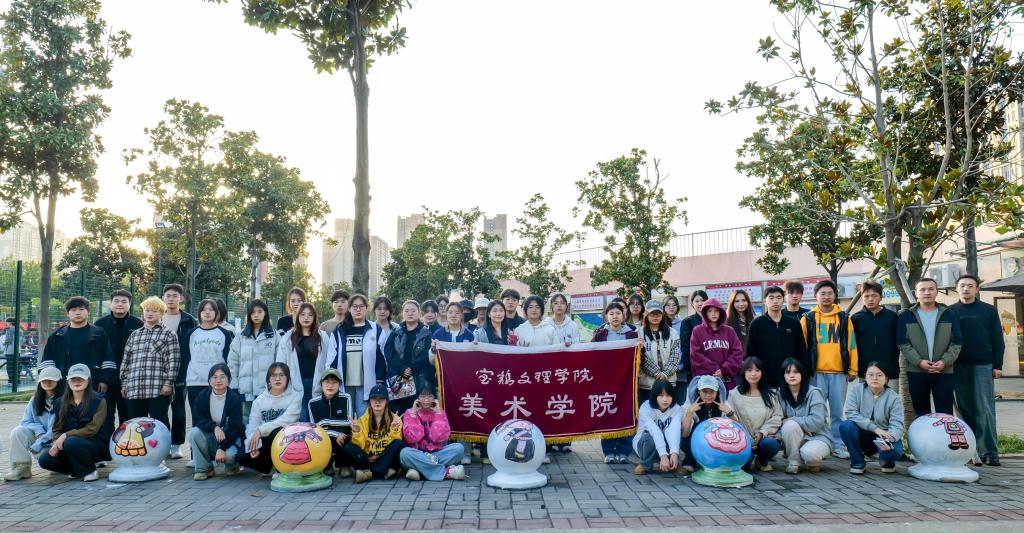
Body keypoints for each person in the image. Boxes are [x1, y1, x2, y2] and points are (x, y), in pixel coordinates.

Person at [799, 280, 858, 458]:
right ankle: (817, 443)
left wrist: (853, 369)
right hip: (815, 373)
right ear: (815, 296)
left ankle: (838, 445)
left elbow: (852, 344)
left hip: (838, 373)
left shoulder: (844, 318)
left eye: (830, 293)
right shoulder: (808, 318)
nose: (826, 297)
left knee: (837, 412)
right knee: (815, 411)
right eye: (822, 293)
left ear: (835, 295)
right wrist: (802, 371)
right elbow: (801, 347)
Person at [950, 274, 1005, 466]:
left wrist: (998, 365)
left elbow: (997, 339)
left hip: (983, 365)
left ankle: (990, 451)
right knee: (964, 409)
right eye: (962, 285)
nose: (966, 289)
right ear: (956, 289)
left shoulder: (989, 310)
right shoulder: (949, 311)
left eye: (970, 285)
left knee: (985, 408)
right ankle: (970, 452)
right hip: (957, 366)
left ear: (977, 289)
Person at [897, 277, 962, 417]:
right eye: (923, 289)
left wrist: (944, 362)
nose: (927, 292)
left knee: (945, 413)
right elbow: (902, 343)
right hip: (917, 371)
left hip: (944, 371)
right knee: (921, 413)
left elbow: (957, 342)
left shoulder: (949, 314)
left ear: (937, 292)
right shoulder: (906, 316)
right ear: (916, 293)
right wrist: (919, 361)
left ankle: (943, 433)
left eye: (931, 289)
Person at [38, 364, 112, 481]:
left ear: (88, 380)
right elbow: (57, 428)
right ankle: (76, 470)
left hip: (96, 445)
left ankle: (89, 470)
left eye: (80, 378)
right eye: (73, 379)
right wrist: (56, 443)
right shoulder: (59, 402)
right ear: (68, 381)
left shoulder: (99, 400)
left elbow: (92, 429)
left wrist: (66, 435)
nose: (77, 382)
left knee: (71, 442)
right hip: (69, 445)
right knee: (44, 460)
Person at [120, 296, 180, 431]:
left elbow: (174, 360)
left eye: (154, 311)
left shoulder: (169, 334)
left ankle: (164, 445)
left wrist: (168, 383)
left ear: (162, 313)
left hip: (158, 388)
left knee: (159, 424)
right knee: (137, 425)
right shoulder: (135, 335)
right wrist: (124, 383)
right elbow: (126, 361)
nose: (150, 313)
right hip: (134, 387)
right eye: (147, 310)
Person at [592, 301, 638, 464]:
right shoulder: (600, 334)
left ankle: (624, 451)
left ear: (623, 315)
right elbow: (591, 355)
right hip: (606, 382)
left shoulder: (632, 334)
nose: (615, 316)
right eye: (611, 314)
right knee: (608, 414)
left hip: (626, 382)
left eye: (618, 313)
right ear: (606, 317)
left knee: (626, 414)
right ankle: (609, 451)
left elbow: (638, 357)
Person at [39, 296, 116, 394]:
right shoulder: (57, 336)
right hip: (63, 384)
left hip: (93, 383)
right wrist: (50, 380)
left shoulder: (99, 334)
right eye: (73, 310)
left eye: (81, 309)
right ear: (67, 313)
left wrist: (105, 380)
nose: (78, 313)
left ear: (88, 312)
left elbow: (108, 358)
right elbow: (47, 361)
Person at [327, 293, 386, 418]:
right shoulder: (339, 330)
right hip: (344, 383)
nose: (358, 309)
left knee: (363, 417)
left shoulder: (376, 329)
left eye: (361, 306)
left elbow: (382, 358)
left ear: (366, 308)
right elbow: (331, 357)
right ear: (349, 309)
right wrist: (331, 379)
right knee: (345, 417)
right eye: (354, 307)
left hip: (366, 383)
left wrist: (379, 380)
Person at [840, 361, 904, 475]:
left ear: (886, 378)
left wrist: (888, 439)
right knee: (846, 426)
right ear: (865, 377)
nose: (874, 378)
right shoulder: (856, 390)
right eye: (870, 374)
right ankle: (857, 462)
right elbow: (851, 413)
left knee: (893, 451)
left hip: (883, 437)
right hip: (863, 435)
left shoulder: (894, 398)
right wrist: (875, 429)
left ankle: (887, 461)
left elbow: (897, 424)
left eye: (879, 375)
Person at [238, 363, 301, 475]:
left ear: (288, 378)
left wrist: (261, 430)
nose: (277, 378)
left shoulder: (295, 397)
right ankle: (269, 467)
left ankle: (282, 470)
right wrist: (254, 446)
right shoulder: (259, 401)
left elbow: (288, 420)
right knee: (241, 456)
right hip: (265, 439)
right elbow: (253, 425)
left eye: (281, 375)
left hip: (288, 440)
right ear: (268, 380)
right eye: (273, 375)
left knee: (277, 432)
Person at [3, 367, 63, 481]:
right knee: (18, 431)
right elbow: (26, 421)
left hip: (58, 444)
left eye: (51, 379)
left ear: (59, 381)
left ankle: (63, 467)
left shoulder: (65, 400)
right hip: (42, 442)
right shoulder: (35, 400)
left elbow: (57, 429)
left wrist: (38, 443)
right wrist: (39, 431)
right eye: (44, 380)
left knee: (48, 460)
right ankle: (22, 468)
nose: (47, 382)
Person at [94, 289, 143, 425]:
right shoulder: (99, 324)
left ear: (129, 304)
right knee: (105, 415)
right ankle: (107, 439)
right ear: (111, 303)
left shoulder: (138, 324)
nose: (120, 304)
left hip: (129, 378)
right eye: (116, 301)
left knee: (128, 415)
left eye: (124, 301)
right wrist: (102, 378)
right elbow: (96, 353)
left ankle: (126, 438)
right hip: (106, 379)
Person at [188, 363, 244, 480]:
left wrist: (221, 448)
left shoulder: (234, 399)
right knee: (194, 433)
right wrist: (214, 427)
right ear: (209, 381)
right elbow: (198, 419)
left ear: (229, 380)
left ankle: (232, 466)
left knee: (229, 456)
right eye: (214, 377)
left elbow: (235, 427)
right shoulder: (202, 396)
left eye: (222, 377)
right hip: (212, 436)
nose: (218, 380)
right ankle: (204, 469)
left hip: (230, 438)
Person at [276, 303, 330, 422]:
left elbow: (328, 361)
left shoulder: (323, 337)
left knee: (315, 418)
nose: (306, 318)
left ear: (314, 317)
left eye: (310, 315)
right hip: (295, 383)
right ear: (297, 317)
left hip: (316, 383)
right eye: (303, 314)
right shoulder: (288, 337)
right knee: (299, 417)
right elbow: (281, 362)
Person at [727, 357, 783, 471]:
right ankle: (749, 457)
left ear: (762, 372)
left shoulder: (772, 393)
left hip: (764, 438)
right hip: (742, 440)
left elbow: (777, 416)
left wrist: (762, 433)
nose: (753, 374)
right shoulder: (734, 394)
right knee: (745, 465)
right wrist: (747, 438)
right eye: (749, 370)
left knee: (772, 444)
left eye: (757, 370)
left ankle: (761, 460)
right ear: (743, 373)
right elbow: (729, 421)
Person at [399, 385, 466, 481]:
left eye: (430, 396)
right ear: (417, 398)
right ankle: (447, 472)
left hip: (437, 454)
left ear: (434, 398)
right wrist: (414, 414)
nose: (426, 400)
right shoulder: (410, 413)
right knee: (405, 453)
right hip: (417, 453)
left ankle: (419, 470)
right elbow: (413, 438)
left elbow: (439, 438)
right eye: (423, 396)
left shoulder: (439, 412)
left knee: (458, 448)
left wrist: (438, 415)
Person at [161, 283, 196, 460]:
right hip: (159, 371)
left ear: (180, 298)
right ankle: (163, 443)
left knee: (179, 409)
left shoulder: (189, 320)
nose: (171, 299)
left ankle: (177, 445)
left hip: (182, 370)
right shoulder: (157, 317)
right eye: (168, 295)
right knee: (160, 409)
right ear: (163, 298)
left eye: (175, 295)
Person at [777, 358, 831, 474]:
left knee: (810, 455)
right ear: (783, 376)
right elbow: (779, 420)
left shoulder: (814, 393)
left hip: (818, 437)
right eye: (788, 372)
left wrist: (792, 419)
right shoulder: (780, 394)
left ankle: (811, 460)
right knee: (790, 425)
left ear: (802, 374)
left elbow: (816, 422)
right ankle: (794, 462)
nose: (792, 375)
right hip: (795, 438)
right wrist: (779, 435)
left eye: (796, 372)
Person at [228, 299, 280, 417]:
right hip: (246, 389)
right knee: (246, 418)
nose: (256, 315)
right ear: (249, 315)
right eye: (253, 312)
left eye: (259, 312)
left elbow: (279, 363)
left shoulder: (274, 336)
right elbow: (233, 362)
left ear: (265, 313)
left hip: (267, 389)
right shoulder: (241, 336)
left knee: (267, 419)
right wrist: (234, 385)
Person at [746, 286, 804, 388]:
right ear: (765, 301)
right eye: (771, 298)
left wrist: (802, 372)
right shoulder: (757, 324)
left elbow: (801, 350)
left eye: (778, 297)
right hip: (765, 377)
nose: (775, 301)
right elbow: (751, 352)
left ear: (783, 300)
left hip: (790, 376)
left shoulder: (794, 323)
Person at [184, 299, 234, 414]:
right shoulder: (191, 333)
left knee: (216, 416)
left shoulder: (224, 333)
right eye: (204, 310)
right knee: (197, 416)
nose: (207, 312)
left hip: (217, 382)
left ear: (216, 312)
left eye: (211, 310)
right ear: (199, 313)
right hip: (195, 382)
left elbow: (228, 359)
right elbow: (187, 357)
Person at [308, 368, 358, 477]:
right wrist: (335, 434)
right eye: (327, 382)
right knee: (318, 436)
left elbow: (348, 422)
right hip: (325, 436)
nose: (330, 386)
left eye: (334, 382)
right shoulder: (313, 403)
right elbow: (314, 428)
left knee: (345, 432)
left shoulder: (346, 397)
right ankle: (327, 465)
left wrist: (325, 422)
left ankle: (344, 465)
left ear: (339, 384)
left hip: (342, 435)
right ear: (321, 384)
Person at [384, 300, 433, 414]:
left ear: (419, 313)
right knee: (397, 414)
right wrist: (401, 368)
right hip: (398, 379)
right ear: (403, 313)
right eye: (406, 311)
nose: (409, 313)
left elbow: (426, 355)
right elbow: (389, 352)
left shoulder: (426, 333)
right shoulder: (396, 332)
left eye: (413, 310)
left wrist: (411, 369)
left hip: (418, 379)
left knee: (416, 413)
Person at [351, 384, 405, 482]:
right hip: (368, 458)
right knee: (348, 448)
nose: (377, 402)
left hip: (385, 456)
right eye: (374, 398)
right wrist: (356, 431)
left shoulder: (395, 419)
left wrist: (393, 430)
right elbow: (360, 446)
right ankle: (385, 470)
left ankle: (370, 473)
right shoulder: (362, 420)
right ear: (369, 401)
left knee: (399, 444)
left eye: (381, 399)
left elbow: (393, 446)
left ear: (386, 401)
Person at [680, 375, 734, 472]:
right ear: (698, 391)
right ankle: (690, 460)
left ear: (717, 392)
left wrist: (730, 413)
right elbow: (684, 434)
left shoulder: (724, 404)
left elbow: (737, 429)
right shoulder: (690, 404)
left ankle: (716, 461)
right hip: (696, 442)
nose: (708, 395)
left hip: (718, 442)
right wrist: (689, 413)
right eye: (704, 391)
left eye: (712, 391)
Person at [851, 280, 900, 386]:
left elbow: (899, 341)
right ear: (862, 297)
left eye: (874, 296)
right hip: (865, 370)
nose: (870, 299)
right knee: (866, 397)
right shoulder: (856, 318)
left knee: (891, 397)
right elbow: (851, 345)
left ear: (881, 297)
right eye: (866, 296)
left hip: (889, 369)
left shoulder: (892, 317)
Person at [632, 380, 682, 476]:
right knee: (649, 436)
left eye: (668, 395)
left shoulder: (677, 409)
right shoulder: (646, 408)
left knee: (678, 432)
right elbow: (654, 431)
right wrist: (663, 454)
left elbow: (674, 430)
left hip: (664, 445)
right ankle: (644, 464)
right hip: (645, 446)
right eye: (661, 396)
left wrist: (674, 452)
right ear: (655, 396)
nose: (665, 399)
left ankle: (673, 463)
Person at [689, 298, 743, 387]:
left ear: (721, 312)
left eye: (716, 311)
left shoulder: (729, 331)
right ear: (705, 313)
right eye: (710, 311)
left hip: (727, 380)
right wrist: (714, 369)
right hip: (706, 382)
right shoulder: (697, 331)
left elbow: (737, 353)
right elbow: (696, 355)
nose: (713, 314)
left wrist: (723, 370)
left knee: (727, 396)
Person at [639, 300, 681, 407]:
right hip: (647, 384)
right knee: (648, 411)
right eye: (652, 313)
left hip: (669, 382)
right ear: (646, 314)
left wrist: (665, 374)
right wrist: (657, 373)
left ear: (663, 314)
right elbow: (641, 357)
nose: (655, 316)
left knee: (668, 412)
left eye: (658, 313)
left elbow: (675, 356)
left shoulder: (673, 333)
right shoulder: (638, 333)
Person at [678, 290, 707, 391]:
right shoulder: (687, 321)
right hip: (695, 370)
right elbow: (685, 348)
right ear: (692, 304)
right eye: (697, 301)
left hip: (713, 369)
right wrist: (691, 368)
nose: (700, 303)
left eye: (702, 300)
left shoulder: (714, 320)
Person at [726, 290, 755, 355]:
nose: (741, 304)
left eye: (744, 300)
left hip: (752, 358)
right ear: (732, 303)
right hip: (734, 358)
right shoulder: (726, 322)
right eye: (737, 301)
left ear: (748, 302)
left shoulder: (754, 321)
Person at [2, 318, 16, 386]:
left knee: (10, 366)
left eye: (7, 322)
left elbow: (8, 340)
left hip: (10, 350)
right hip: (17, 350)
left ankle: (10, 382)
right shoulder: (20, 330)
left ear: (10, 323)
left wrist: (3, 343)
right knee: (16, 365)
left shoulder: (9, 330)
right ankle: (16, 381)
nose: (6, 324)